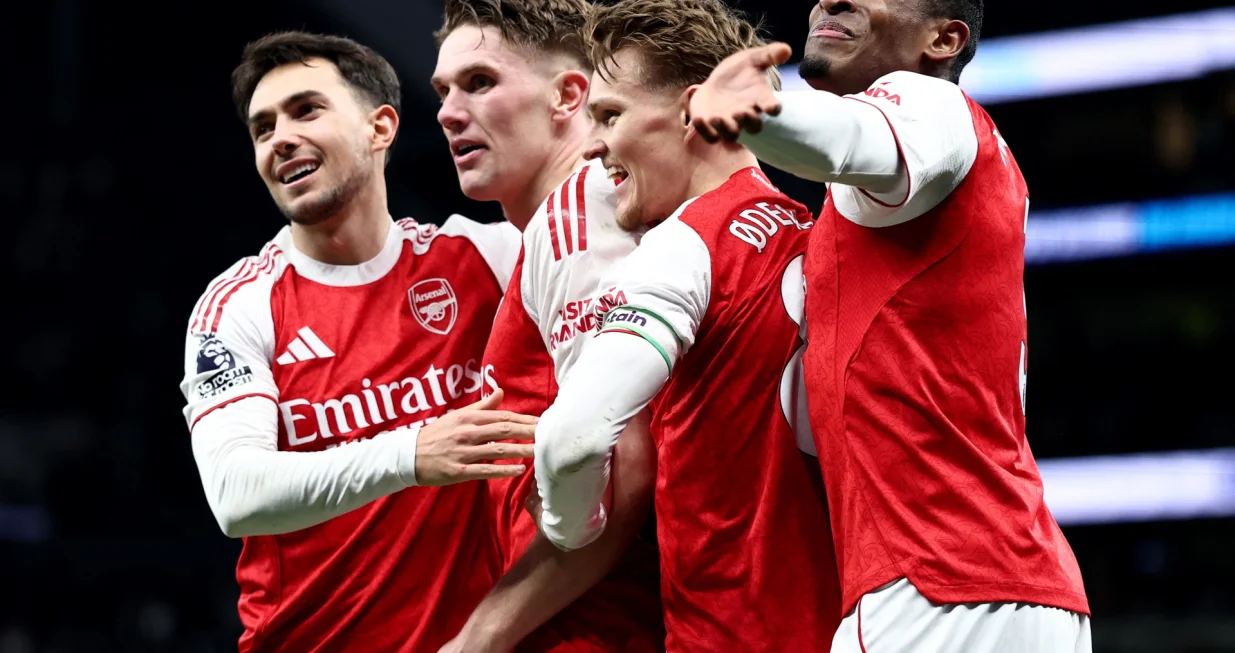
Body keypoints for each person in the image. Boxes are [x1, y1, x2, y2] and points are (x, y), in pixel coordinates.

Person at [687, 1, 1092, 651]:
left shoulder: (928, 103)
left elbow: (858, 138)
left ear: (943, 39)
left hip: (936, 586)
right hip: (1005, 581)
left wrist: (758, 114)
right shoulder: (889, 207)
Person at [179, 31, 536, 652]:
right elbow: (238, 494)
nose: (279, 138)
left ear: (381, 128)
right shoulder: (238, 305)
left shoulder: (485, 257)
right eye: (262, 129)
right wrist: (411, 454)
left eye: (306, 110)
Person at [530, 1, 843, 650]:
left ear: (691, 110)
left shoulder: (684, 245)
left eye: (610, 116)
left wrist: (568, 525)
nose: (592, 145)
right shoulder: (820, 240)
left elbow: (573, 437)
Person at [430, 1, 663, 651]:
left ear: (568, 95)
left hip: (608, 628)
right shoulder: (560, 225)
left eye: (479, 82)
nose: (448, 112)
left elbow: (620, 468)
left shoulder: (578, 211)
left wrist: (478, 638)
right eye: (442, 91)